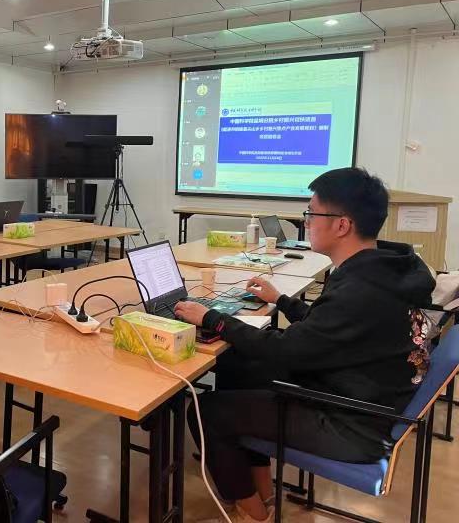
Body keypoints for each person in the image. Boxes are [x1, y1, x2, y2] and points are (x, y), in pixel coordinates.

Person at [174, 168, 435, 523]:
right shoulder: (384, 269)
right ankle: (263, 493)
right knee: (238, 368)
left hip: (351, 422)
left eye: (312, 213)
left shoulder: (361, 289)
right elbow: (331, 328)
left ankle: (252, 515)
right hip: (361, 394)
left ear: (341, 225)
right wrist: (282, 301)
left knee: (206, 410)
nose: (306, 221)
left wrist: (212, 319)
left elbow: (286, 349)